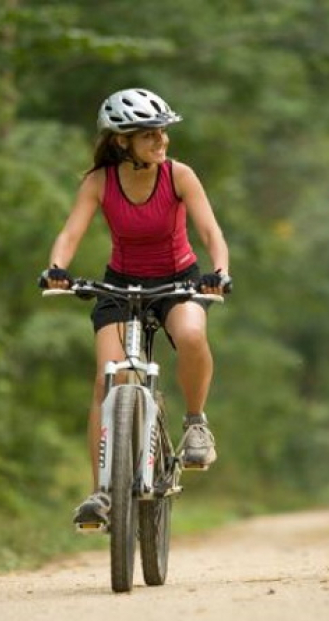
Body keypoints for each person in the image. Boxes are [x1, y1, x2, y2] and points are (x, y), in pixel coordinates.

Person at [40, 88, 231, 527]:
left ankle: (196, 422)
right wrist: (56, 267)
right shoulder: (99, 182)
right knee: (110, 379)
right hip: (120, 285)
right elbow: (70, 234)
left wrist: (218, 271)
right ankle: (101, 495)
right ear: (122, 141)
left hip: (179, 279)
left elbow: (210, 230)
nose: (161, 141)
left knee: (192, 335)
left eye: (163, 132)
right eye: (149, 135)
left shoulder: (179, 175)